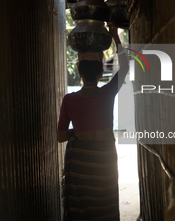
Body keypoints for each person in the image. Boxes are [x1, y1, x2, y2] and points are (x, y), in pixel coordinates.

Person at [57, 22, 129, 221]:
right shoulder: (107, 94)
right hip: (104, 160)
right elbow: (126, 67)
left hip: (82, 164)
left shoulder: (69, 100)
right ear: (100, 74)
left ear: (79, 74)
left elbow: (61, 137)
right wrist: (115, 36)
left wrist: (77, 133)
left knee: (84, 208)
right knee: (105, 202)